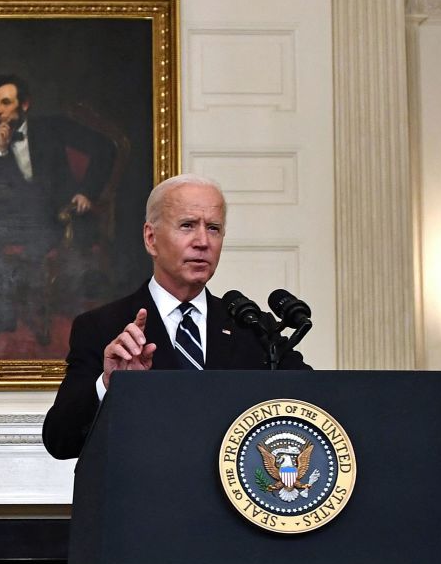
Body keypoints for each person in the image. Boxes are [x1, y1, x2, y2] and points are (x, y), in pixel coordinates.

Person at [42, 174, 309, 460]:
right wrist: (109, 384)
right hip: (148, 500)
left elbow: (317, 404)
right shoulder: (102, 327)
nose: (203, 241)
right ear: (151, 238)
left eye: (214, 228)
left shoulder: (252, 327)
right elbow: (60, 440)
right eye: (187, 226)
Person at [0, 74, 115, 341]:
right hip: (16, 223)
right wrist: (0, 151)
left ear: (24, 105)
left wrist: (86, 191)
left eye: (6, 102)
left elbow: (106, 147)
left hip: (58, 219)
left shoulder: (54, 128)